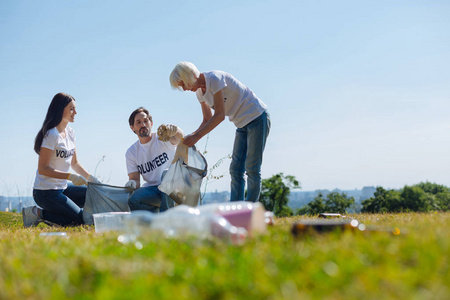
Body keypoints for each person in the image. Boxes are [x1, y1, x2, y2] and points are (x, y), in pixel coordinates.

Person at [169, 62, 271, 202]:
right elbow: (207, 119)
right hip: (241, 124)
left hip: (257, 117)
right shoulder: (199, 93)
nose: (184, 89)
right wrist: (192, 136)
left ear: (189, 76)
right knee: (235, 170)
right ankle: (236, 208)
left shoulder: (215, 79)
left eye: (183, 84)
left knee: (252, 168)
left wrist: (197, 136)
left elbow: (219, 115)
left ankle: (251, 209)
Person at [22, 93, 99, 227]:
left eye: (75, 108)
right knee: (79, 221)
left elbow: (74, 163)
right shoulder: (51, 134)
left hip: (62, 188)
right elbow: (43, 169)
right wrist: (70, 176)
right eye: (71, 108)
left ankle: (65, 212)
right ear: (60, 109)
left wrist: (91, 178)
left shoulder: (70, 133)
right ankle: (36, 213)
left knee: (93, 195)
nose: (75, 112)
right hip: (45, 192)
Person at [125, 107, 184, 212]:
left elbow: (180, 137)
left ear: (151, 124)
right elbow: (136, 180)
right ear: (132, 128)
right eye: (138, 122)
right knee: (133, 200)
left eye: (145, 121)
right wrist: (132, 183)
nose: (143, 124)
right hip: (154, 190)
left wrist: (175, 130)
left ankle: (166, 219)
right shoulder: (131, 152)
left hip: (175, 188)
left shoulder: (162, 138)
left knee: (167, 174)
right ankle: (153, 221)